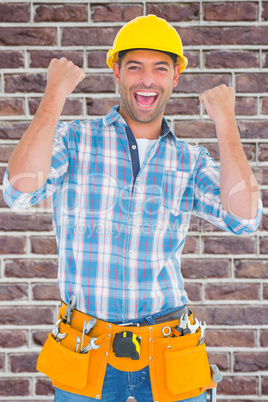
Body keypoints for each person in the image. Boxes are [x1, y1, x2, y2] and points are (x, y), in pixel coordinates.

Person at [3, 14, 263, 402]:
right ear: (116, 72)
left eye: (160, 68)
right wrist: (54, 94)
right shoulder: (75, 140)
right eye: (135, 67)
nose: (147, 79)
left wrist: (226, 122)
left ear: (175, 76)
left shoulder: (189, 161)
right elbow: (19, 191)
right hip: (85, 349)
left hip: (170, 348)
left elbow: (246, 219)